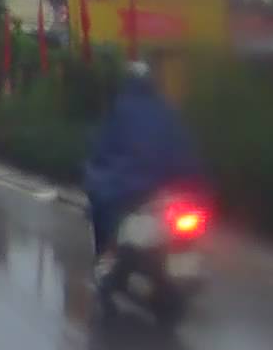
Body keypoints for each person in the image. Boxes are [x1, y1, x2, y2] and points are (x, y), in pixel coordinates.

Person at [84, 59, 204, 278]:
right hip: (172, 187)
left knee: (100, 202)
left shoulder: (121, 110)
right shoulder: (166, 110)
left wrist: (96, 171)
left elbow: (103, 148)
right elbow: (186, 149)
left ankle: (106, 257)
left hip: (132, 187)